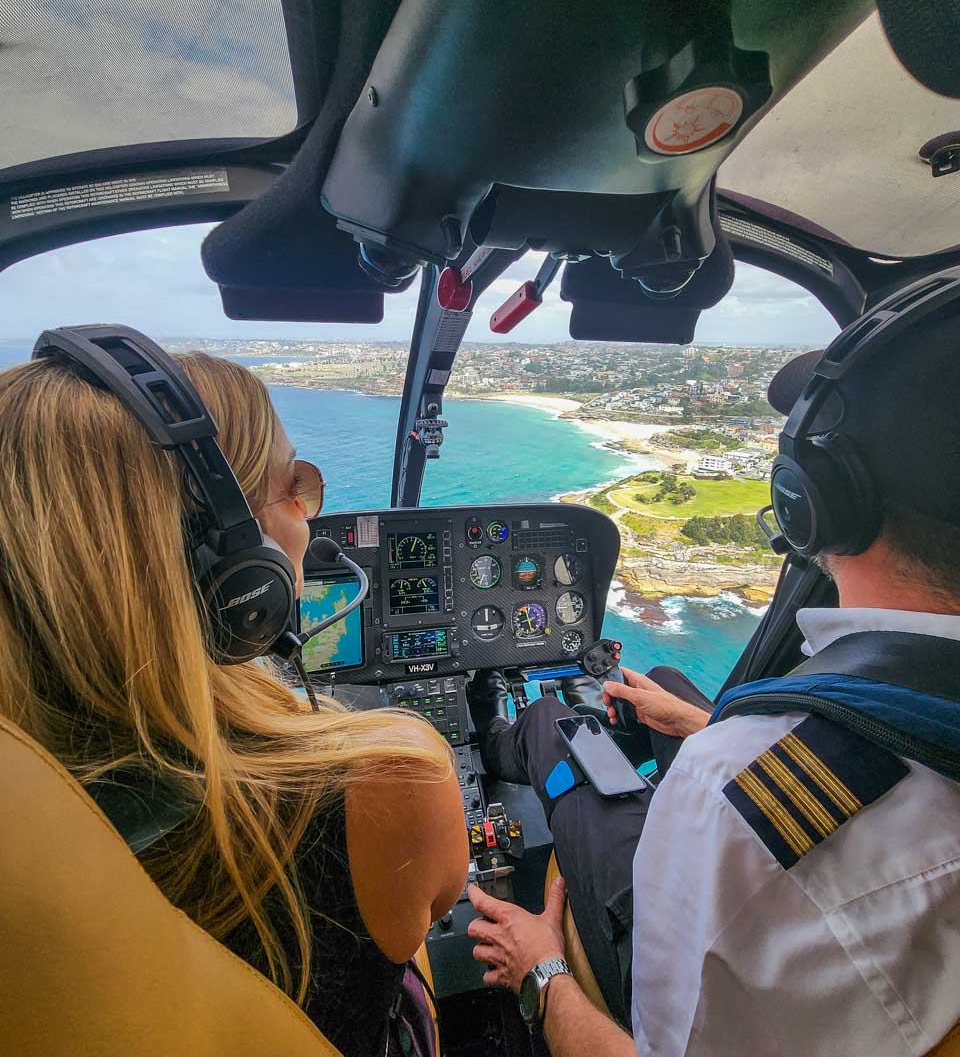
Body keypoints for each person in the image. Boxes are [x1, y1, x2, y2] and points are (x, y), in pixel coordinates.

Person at [466, 316, 960, 1057]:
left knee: (551, 723)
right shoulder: (750, 754)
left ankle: (512, 739)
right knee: (662, 683)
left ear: (811, 506)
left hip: (661, 971)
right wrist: (703, 729)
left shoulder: (725, 780)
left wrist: (541, 968)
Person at [0, 345, 468, 1057]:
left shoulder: (26, 826)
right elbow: (417, 925)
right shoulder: (395, 779)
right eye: (292, 487)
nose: (307, 515)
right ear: (235, 573)